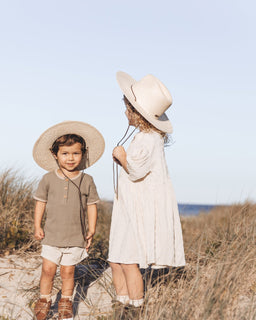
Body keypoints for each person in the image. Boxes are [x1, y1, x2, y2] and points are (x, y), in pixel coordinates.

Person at [108, 71, 186, 317]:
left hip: (137, 207)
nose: (124, 112)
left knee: (128, 258)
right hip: (129, 203)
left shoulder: (148, 139)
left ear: (136, 113)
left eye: (127, 108)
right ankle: (121, 301)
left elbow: (137, 170)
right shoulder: (146, 137)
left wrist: (122, 158)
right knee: (116, 257)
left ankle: (135, 306)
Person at [32, 121, 105, 320]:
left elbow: (91, 205)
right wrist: (37, 225)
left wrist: (92, 229)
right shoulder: (48, 178)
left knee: (68, 272)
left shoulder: (87, 179)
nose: (70, 158)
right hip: (52, 235)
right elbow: (41, 202)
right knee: (48, 270)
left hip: (75, 236)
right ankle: (44, 300)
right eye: (65, 153)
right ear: (55, 154)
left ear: (83, 154)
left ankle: (65, 302)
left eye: (75, 153)